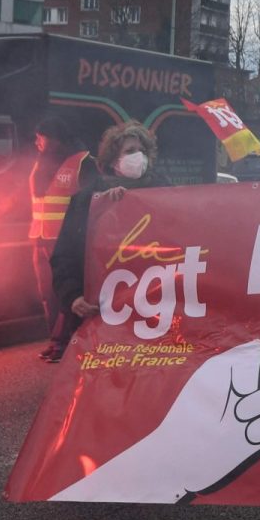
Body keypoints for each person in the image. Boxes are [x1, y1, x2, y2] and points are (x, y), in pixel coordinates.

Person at [49, 123, 168, 360]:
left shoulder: (165, 194)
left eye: (142, 150)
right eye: (130, 151)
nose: (139, 156)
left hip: (153, 312)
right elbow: (64, 255)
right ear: (114, 160)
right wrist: (73, 297)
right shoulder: (87, 201)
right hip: (100, 314)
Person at [27, 115, 97, 362]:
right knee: (48, 294)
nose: (37, 142)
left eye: (40, 136)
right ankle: (55, 340)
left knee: (65, 293)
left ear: (55, 137)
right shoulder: (41, 162)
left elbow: (90, 200)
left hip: (66, 241)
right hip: (41, 238)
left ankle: (64, 343)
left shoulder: (82, 162)